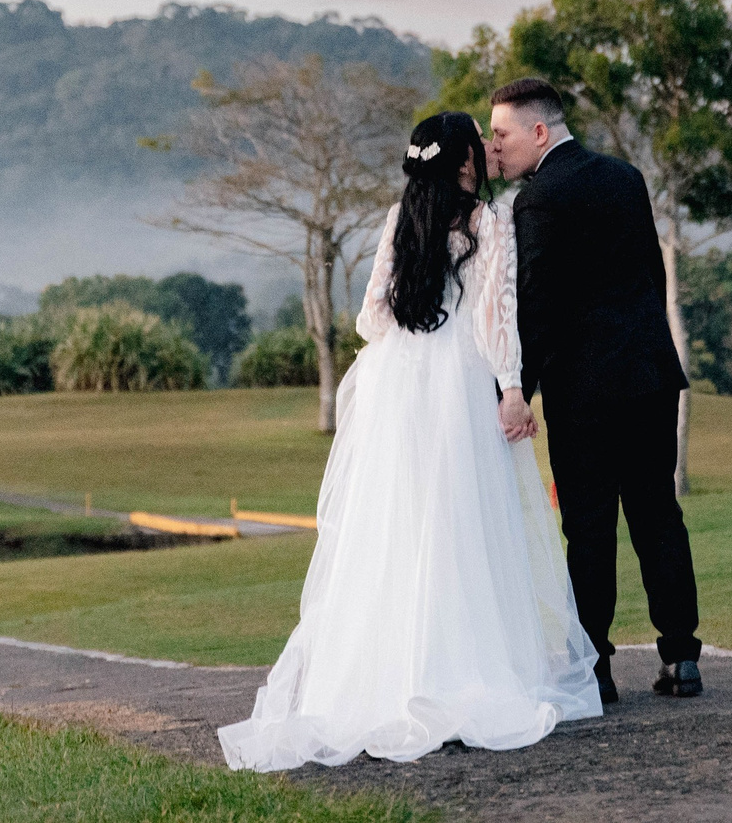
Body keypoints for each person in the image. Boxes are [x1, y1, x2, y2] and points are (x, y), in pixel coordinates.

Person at [218, 112, 602, 771]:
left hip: (396, 389)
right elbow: (496, 320)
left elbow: (371, 316)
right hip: (457, 387)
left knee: (393, 526)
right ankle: (459, 672)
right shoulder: (488, 221)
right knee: (461, 526)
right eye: (477, 142)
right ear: (463, 161)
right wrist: (511, 387)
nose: (485, 148)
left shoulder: (399, 218)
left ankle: (381, 680)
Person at [485, 76, 704, 703]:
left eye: (502, 134)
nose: (497, 147)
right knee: (658, 515)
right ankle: (682, 658)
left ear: (539, 131)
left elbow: (537, 305)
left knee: (588, 527)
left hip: (585, 390)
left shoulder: (539, 199)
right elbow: (646, 277)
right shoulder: (626, 177)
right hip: (652, 376)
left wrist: (516, 388)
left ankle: (595, 668)